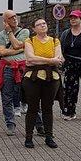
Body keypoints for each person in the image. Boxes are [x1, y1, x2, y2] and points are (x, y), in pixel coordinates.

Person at [22, 18, 63, 149]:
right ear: (34, 29)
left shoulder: (55, 41)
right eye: (39, 24)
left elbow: (59, 59)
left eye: (44, 23)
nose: (42, 25)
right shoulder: (30, 41)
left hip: (51, 79)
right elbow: (30, 58)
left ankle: (49, 137)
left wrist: (42, 60)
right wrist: (50, 60)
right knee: (32, 108)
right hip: (32, 79)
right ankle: (28, 137)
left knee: (47, 108)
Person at [0, 10, 29, 136]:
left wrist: (10, 35)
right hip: (8, 69)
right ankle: (10, 124)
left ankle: (39, 124)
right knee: (7, 97)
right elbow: (2, 53)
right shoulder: (0, 35)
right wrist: (20, 48)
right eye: (11, 17)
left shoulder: (25, 31)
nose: (15, 18)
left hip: (23, 68)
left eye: (15, 16)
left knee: (30, 96)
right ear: (5, 21)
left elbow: (15, 45)